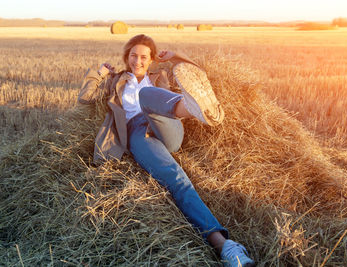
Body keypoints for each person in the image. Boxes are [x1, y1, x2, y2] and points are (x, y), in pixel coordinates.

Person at [78, 34, 255, 267]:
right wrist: (100, 72)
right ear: (127, 57)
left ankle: (192, 108)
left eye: (143, 57)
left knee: (148, 94)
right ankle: (225, 246)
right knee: (175, 177)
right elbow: (85, 97)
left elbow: (197, 77)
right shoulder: (117, 80)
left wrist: (176, 57)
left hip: (169, 125)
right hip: (138, 133)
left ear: (151, 59)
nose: (138, 61)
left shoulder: (160, 75)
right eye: (133, 56)